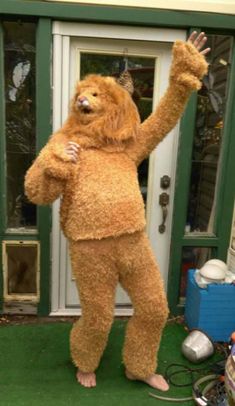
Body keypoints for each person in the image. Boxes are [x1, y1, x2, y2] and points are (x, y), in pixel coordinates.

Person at [25, 31, 210, 391]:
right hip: (89, 247)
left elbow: (161, 121)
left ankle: (139, 367)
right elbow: (36, 193)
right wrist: (54, 162)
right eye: (83, 93)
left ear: (113, 105)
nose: (85, 98)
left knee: (155, 308)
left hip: (133, 241)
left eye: (96, 94)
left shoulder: (128, 146)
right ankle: (85, 361)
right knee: (98, 317)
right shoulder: (65, 143)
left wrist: (180, 79)